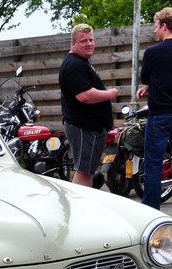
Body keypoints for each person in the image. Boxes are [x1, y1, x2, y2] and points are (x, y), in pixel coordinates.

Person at [134, 7, 172, 219]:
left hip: (160, 116)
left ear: (165, 26)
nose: (154, 31)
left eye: (156, 26)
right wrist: (151, 87)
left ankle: (150, 215)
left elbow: (146, 76)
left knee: (153, 165)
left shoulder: (153, 52)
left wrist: (148, 85)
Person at [58, 23, 117, 187]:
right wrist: (109, 94)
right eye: (84, 41)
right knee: (84, 172)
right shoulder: (74, 65)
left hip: (88, 127)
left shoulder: (79, 62)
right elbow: (84, 95)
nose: (89, 44)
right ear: (73, 44)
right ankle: (79, 208)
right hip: (84, 128)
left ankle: (81, 208)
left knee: (87, 171)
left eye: (91, 40)